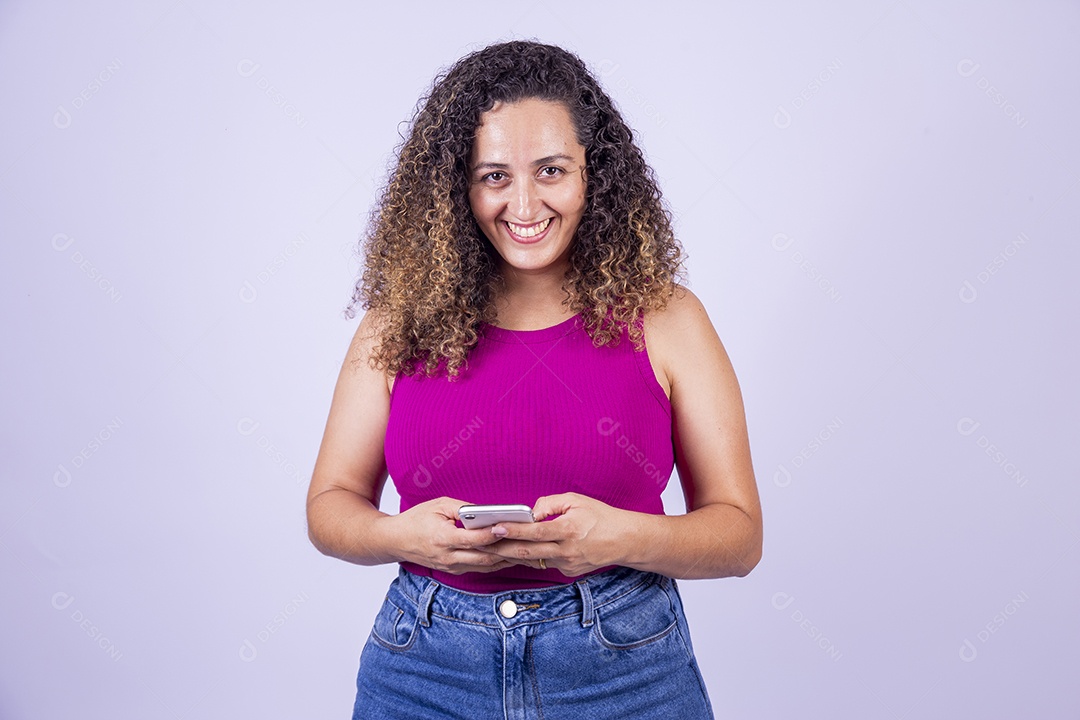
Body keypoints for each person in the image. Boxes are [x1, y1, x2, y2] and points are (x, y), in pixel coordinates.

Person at [306, 39, 762, 720]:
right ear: (456, 187)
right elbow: (330, 504)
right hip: (425, 672)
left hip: (623, 670)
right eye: (494, 175)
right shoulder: (396, 326)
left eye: (551, 170)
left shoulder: (668, 318)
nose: (524, 204)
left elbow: (738, 535)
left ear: (593, 174)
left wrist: (621, 538)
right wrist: (401, 537)